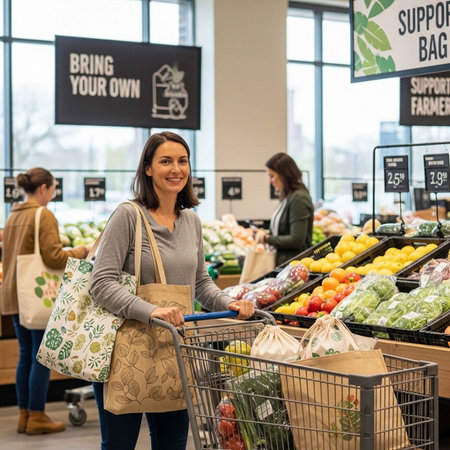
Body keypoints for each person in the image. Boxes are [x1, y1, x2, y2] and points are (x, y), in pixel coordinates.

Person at [89, 131, 254, 450]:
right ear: (148, 168)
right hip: (125, 350)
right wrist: (149, 311)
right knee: (119, 445)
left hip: (174, 349)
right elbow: (102, 282)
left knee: (172, 443)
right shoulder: (128, 216)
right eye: (165, 161)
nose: (175, 168)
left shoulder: (191, 221)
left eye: (182, 161)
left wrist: (230, 302)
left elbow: (201, 283)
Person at [1, 167, 89, 435]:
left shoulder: (14, 215)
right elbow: (53, 257)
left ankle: (25, 415)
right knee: (41, 355)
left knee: (26, 354)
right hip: (37, 295)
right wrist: (80, 251)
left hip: (15, 293)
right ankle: (38, 416)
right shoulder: (44, 214)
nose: (53, 194)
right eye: (53, 189)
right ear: (43, 188)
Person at [258, 152, 314, 266]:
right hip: (284, 265)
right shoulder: (287, 197)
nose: (270, 181)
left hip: (293, 267)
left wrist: (267, 238)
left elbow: (297, 240)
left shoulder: (299, 198)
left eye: (272, 176)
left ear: (284, 174)